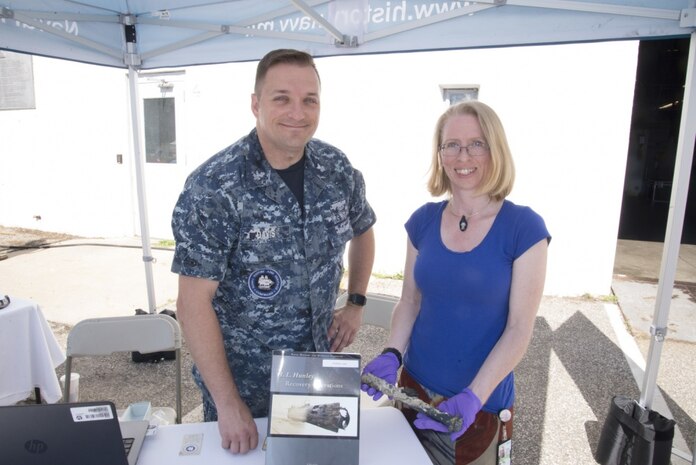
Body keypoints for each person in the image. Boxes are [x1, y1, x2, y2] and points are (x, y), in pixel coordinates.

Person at [171, 49, 376, 455]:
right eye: (282, 98)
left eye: (309, 100)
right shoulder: (216, 187)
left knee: (316, 462)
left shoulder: (336, 170)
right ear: (255, 104)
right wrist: (228, 403)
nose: (297, 112)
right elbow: (193, 302)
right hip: (245, 388)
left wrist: (355, 302)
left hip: (316, 377)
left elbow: (363, 230)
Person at [361, 100, 550, 465]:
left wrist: (474, 397)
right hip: (412, 391)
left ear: (495, 150)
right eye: (452, 145)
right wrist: (391, 353)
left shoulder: (524, 228)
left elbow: (519, 328)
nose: (463, 155)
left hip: (479, 408)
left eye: (476, 143)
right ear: (440, 154)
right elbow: (410, 303)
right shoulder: (423, 221)